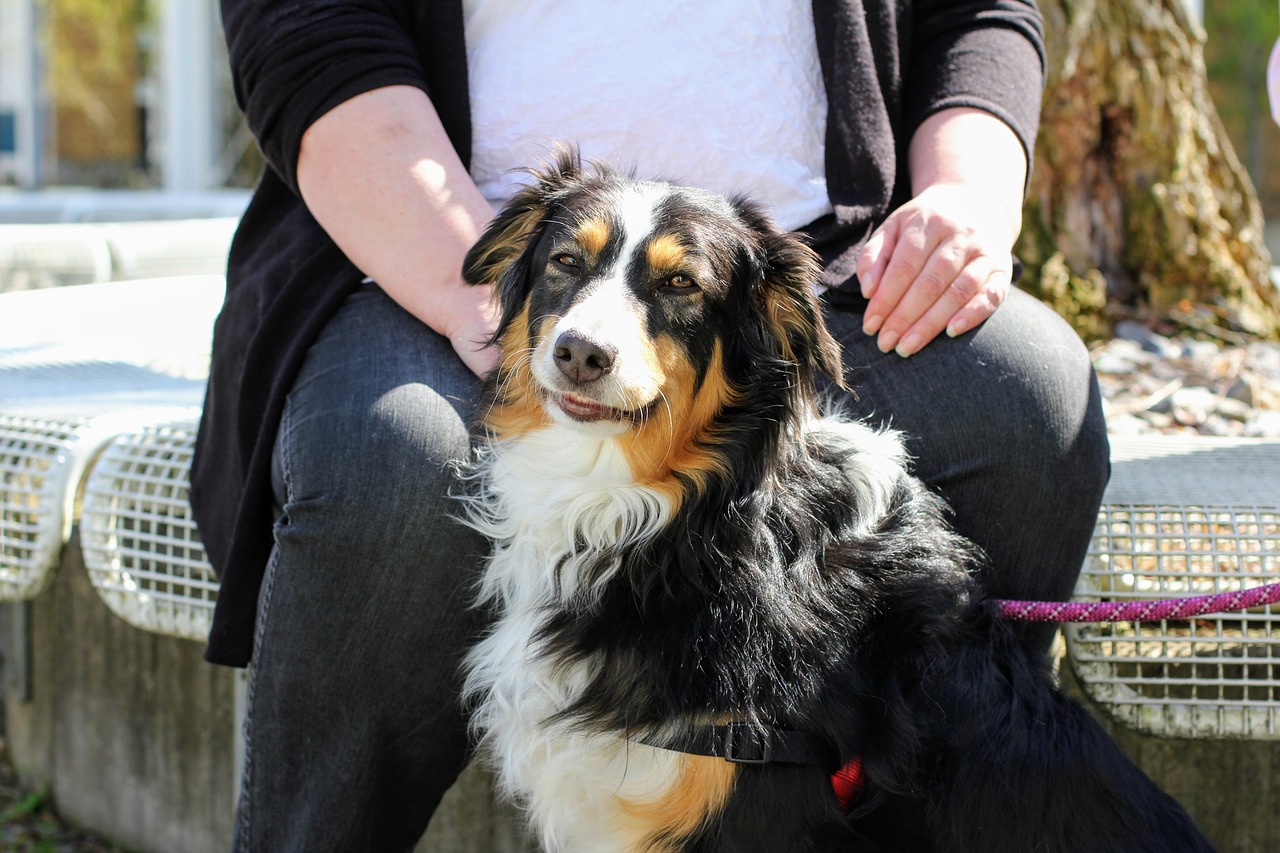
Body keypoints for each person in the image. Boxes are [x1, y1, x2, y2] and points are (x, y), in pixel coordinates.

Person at [194, 1, 1109, 849]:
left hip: (812, 262)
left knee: (1032, 395)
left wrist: (966, 197)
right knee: (395, 464)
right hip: (452, 251)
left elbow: (977, 10)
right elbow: (310, 28)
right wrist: (494, 296)